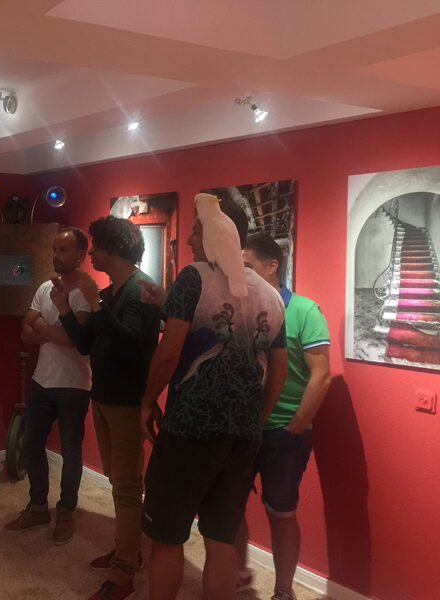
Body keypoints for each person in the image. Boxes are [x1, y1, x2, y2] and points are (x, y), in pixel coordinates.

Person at [139, 194, 289, 600]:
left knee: (166, 537)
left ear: (218, 234)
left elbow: (168, 351)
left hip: (190, 430)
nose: (189, 239)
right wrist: (256, 419)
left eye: (195, 231)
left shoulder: (194, 277)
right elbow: (279, 369)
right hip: (242, 438)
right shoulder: (272, 295)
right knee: (221, 538)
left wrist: (148, 400)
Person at [54, 216, 160, 600]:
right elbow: (87, 345)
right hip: (103, 398)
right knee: (119, 482)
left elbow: (129, 343)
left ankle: (123, 574)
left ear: (114, 248)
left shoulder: (140, 290)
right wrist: (65, 310)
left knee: (127, 488)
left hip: (127, 404)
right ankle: (127, 551)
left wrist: (96, 303)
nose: (92, 253)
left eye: (96, 246)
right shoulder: (113, 291)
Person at [234, 232, 331, 600]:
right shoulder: (242, 308)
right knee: (230, 506)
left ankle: (283, 589)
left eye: (247, 265)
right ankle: (238, 573)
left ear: (272, 265)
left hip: (283, 434)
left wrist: (295, 427)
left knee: (281, 513)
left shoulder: (305, 310)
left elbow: (321, 375)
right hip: (243, 428)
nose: (241, 273)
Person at [4, 227, 92, 545]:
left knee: (71, 453)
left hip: (74, 385)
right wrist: (51, 330)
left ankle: (66, 511)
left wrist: (41, 325)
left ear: (80, 254)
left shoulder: (86, 292)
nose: (56, 255)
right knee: (31, 445)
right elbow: (24, 332)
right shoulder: (44, 288)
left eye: (63, 250)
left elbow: (73, 340)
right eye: (54, 249)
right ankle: (38, 507)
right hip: (42, 381)